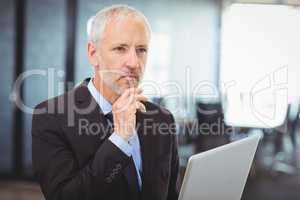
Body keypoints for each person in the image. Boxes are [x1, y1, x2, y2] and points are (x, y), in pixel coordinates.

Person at [32, 4, 180, 200]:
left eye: (141, 50)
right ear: (93, 54)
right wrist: (119, 140)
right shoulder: (51, 117)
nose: (134, 63)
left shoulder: (163, 119)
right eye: (120, 49)